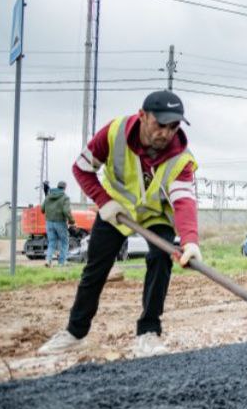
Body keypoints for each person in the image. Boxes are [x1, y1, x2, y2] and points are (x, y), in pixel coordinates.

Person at [39, 91, 203, 358]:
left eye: (173, 126)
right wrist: (104, 201)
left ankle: (148, 333)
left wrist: (190, 241)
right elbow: (81, 168)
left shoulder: (181, 158)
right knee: (96, 267)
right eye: (160, 124)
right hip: (116, 210)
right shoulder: (114, 134)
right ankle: (75, 332)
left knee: (161, 260)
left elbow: (184, 202)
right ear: (142, 116)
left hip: (155, 215)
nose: (166, 133)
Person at [42, 179, 73, 267]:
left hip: (49, 223)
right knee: (64, 242)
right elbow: (66, 211)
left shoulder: (48, 196)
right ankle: (61, 263)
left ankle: (48, 260)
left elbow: (42, 209)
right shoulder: (65, 197)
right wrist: (72, 221)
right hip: (60, 222)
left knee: (52, 242)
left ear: (57, 186)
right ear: (65, 188)